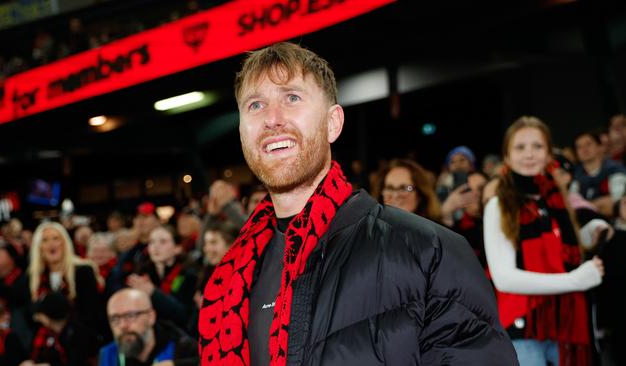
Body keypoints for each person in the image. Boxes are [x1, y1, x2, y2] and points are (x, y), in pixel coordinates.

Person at [198, 42, 516, 366]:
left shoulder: (427, 251)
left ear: (333, 123)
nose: (272, 119)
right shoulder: (229, 279)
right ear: (242, 132)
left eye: (291, 98)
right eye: (255, 105)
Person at [483, 116, 604, 366]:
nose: (529, 154)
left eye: (537, 146)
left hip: (565, 323)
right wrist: (575, 280)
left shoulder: (555, 201)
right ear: (507, 156)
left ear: (549, 153)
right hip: (523, 327)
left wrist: (588, 234)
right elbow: (504, 277)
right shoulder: (498, 205)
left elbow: (555, 254)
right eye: (520, 147)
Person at [99, 288, 197, 366]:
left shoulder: (183, 347)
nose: (123, 325)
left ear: (151, 317)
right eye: (115, 319)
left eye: (131, 316)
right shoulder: (108, 354)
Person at [570, 130, 626, 218]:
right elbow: (572, 210)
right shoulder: (576, 176)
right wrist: (599, 205)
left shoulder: (615, 169)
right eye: (579, 147)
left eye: (588, 144)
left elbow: (616, 205)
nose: (584, 149)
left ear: (600, 147)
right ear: (576, 154)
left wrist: (585, 207)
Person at [380, 158, 442, 222]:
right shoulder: (372, 229)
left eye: (403, 188)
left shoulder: (436, 230)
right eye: (389, 188)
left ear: (420, 194)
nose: (395, 195)